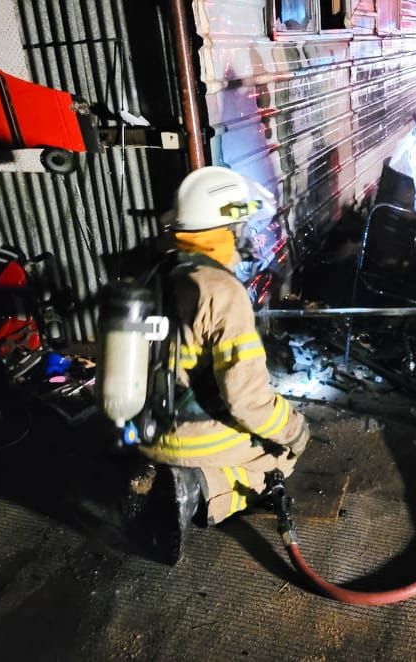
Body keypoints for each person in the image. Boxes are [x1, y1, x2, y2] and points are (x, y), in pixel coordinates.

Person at [128, 166, 310, 563]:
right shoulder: (221, 291)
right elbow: (246, 401)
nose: (242, 238)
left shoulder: (154, 273)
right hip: (194, 440)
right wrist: (295, 428)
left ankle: (155, 472)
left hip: (144, 428)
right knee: (281, 458)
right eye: (238, 228)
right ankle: (197, 489)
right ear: (222, 231)